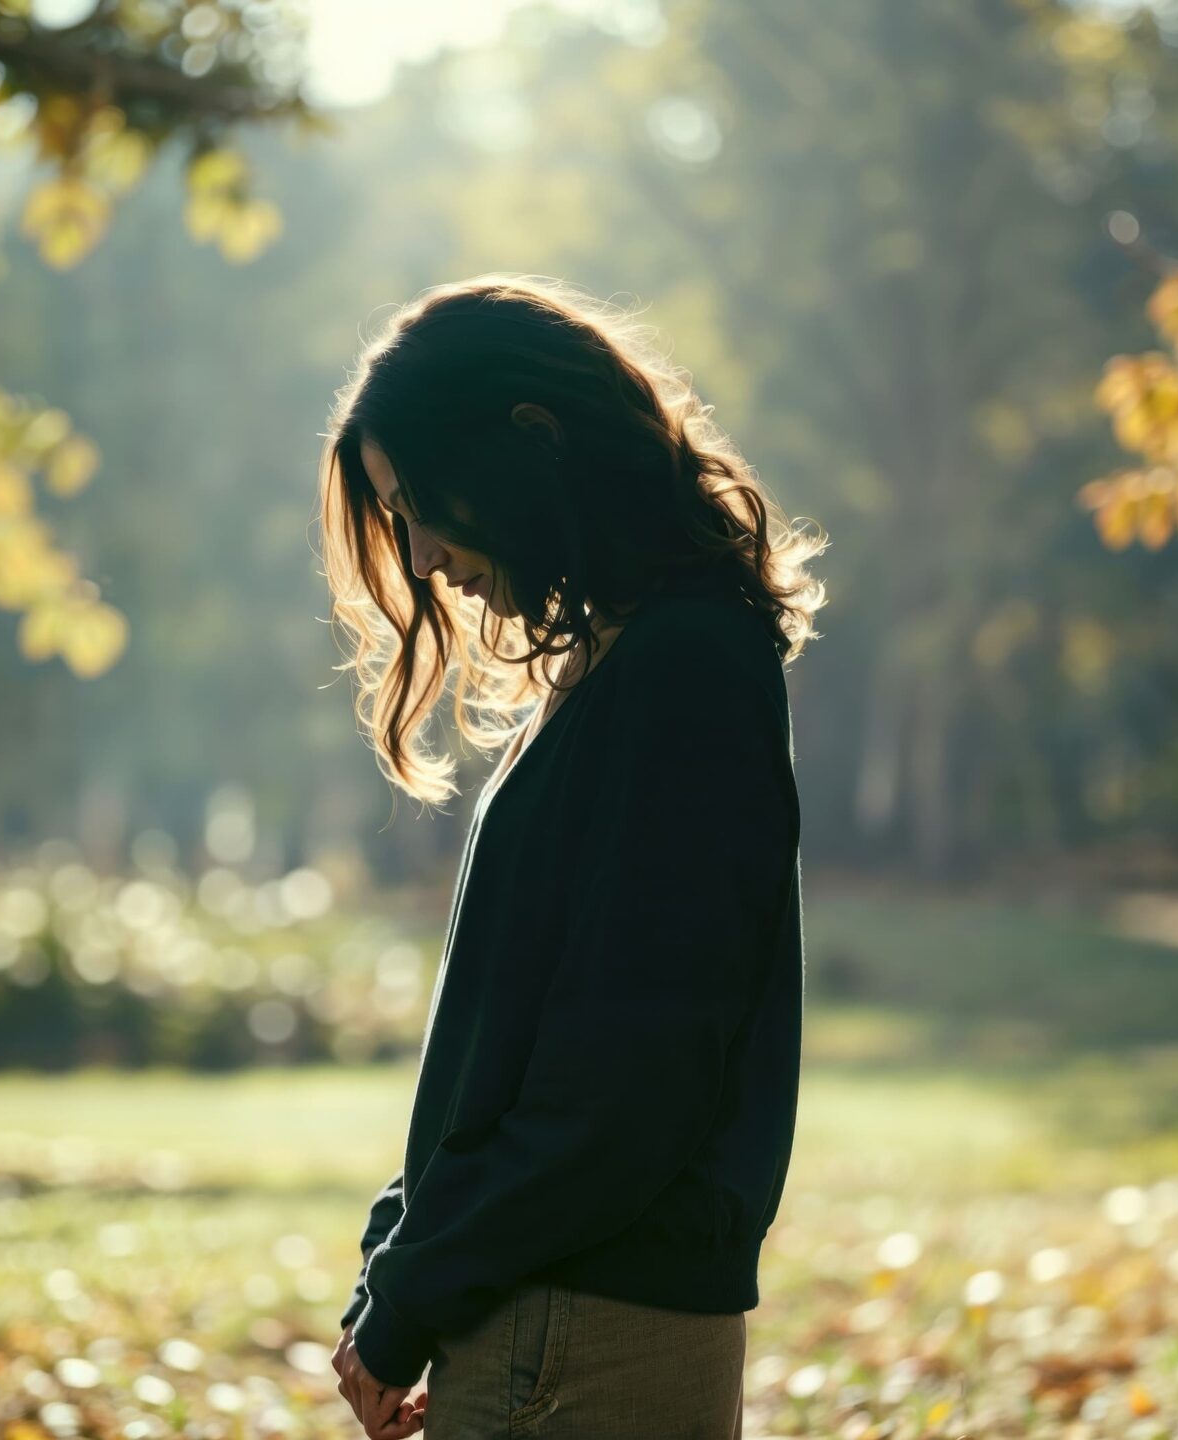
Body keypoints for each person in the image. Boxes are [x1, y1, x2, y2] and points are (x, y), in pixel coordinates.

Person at [312, 274, 828, 1438]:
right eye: (396, 519)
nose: (424, 555)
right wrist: (395, 1266)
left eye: (422, 506)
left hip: (585, 1327)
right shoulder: (621, 660)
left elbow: (622, 1088)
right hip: (547, 1309)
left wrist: (413, 1293)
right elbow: (504, 1053)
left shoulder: (683, 669)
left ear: (531, 441)